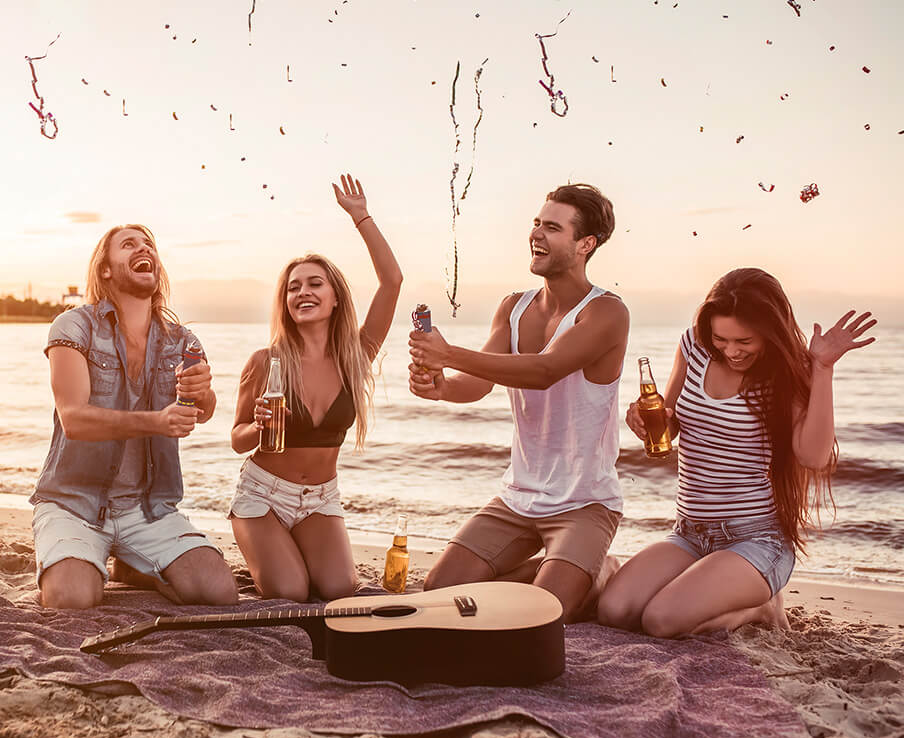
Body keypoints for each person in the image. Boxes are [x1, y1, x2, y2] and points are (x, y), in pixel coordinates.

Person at [597, 268, 877, 637]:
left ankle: (761, 606)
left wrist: (822, 368)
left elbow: (813, 457)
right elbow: (671, 420)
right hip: (690, 533)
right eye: (721, 339)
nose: (731, 351)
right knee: (614, 611)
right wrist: (645, 419)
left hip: (755, 540)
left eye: (744, 341)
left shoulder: (786, 371)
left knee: (660, 620)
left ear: (770, 332)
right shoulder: (694, 345)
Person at [408, 183, 629, 622]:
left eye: (553, 227)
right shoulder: (513, 306)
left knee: (543, 614)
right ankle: (561, 570)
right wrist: (442, 386)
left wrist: (448, 353)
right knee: (439, 591)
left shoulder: (606, 312)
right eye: (536, 223)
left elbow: (544, 371)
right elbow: (478, 383)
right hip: (518, 497)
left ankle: (599, 569)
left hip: (584, 502)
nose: (536, 234)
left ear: (586, 244)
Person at [31, 224, 238, 609]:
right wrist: (156, 421)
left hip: (148, 509)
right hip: (73, 505)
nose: (144, 249)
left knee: (218, 590)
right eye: (129, 244)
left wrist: (203, 393)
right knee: (72, 598)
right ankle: (80, 560)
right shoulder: (74, 326)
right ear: (106, 269)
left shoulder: (183, 340)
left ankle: (131, 565)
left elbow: (202, 412)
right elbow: (74, 419)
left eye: (149, 245)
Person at [229, 174, 402, 602]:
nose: (302, 292)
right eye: (293, 288)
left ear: (336, 297)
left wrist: (361, 217)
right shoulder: (266, 362)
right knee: (291, 592)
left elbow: (392, 282)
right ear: (285, 303)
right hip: (262, 496)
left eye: (314, 284)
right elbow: (238, 440)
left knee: (339, 589)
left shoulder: (355, 358)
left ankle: (288, 555)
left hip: (321, 500)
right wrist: (257, 425)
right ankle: (272, 555)